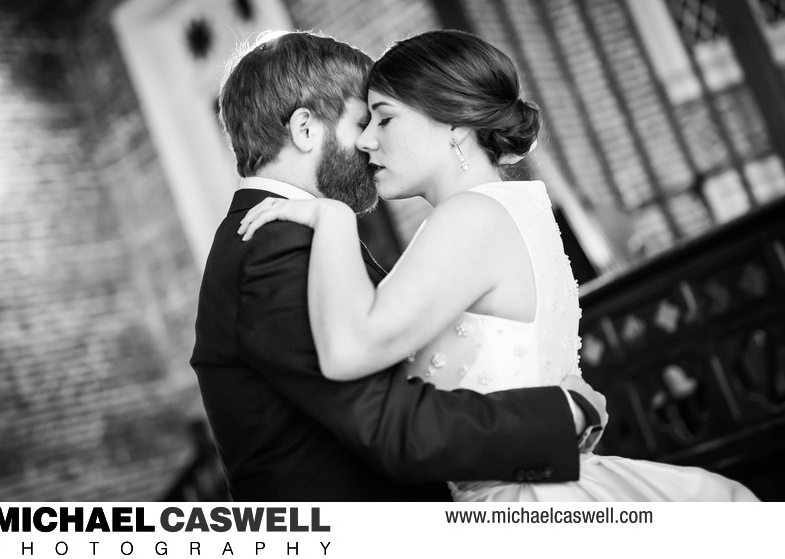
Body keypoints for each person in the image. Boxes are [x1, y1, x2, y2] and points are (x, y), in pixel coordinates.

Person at [239, 30, 759, 502]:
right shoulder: (512, 207)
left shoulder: (470, 218)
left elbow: (349, 351)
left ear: (455, 125)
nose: (367, 140)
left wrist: (332, 219)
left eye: (385, 117)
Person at [190, 31, 606, 502]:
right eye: (364, 120)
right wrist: (561, 416)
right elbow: (389, 423)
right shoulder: (274, 248)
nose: (369, 142)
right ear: (306, 129)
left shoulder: (294, 236)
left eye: (382, 120)